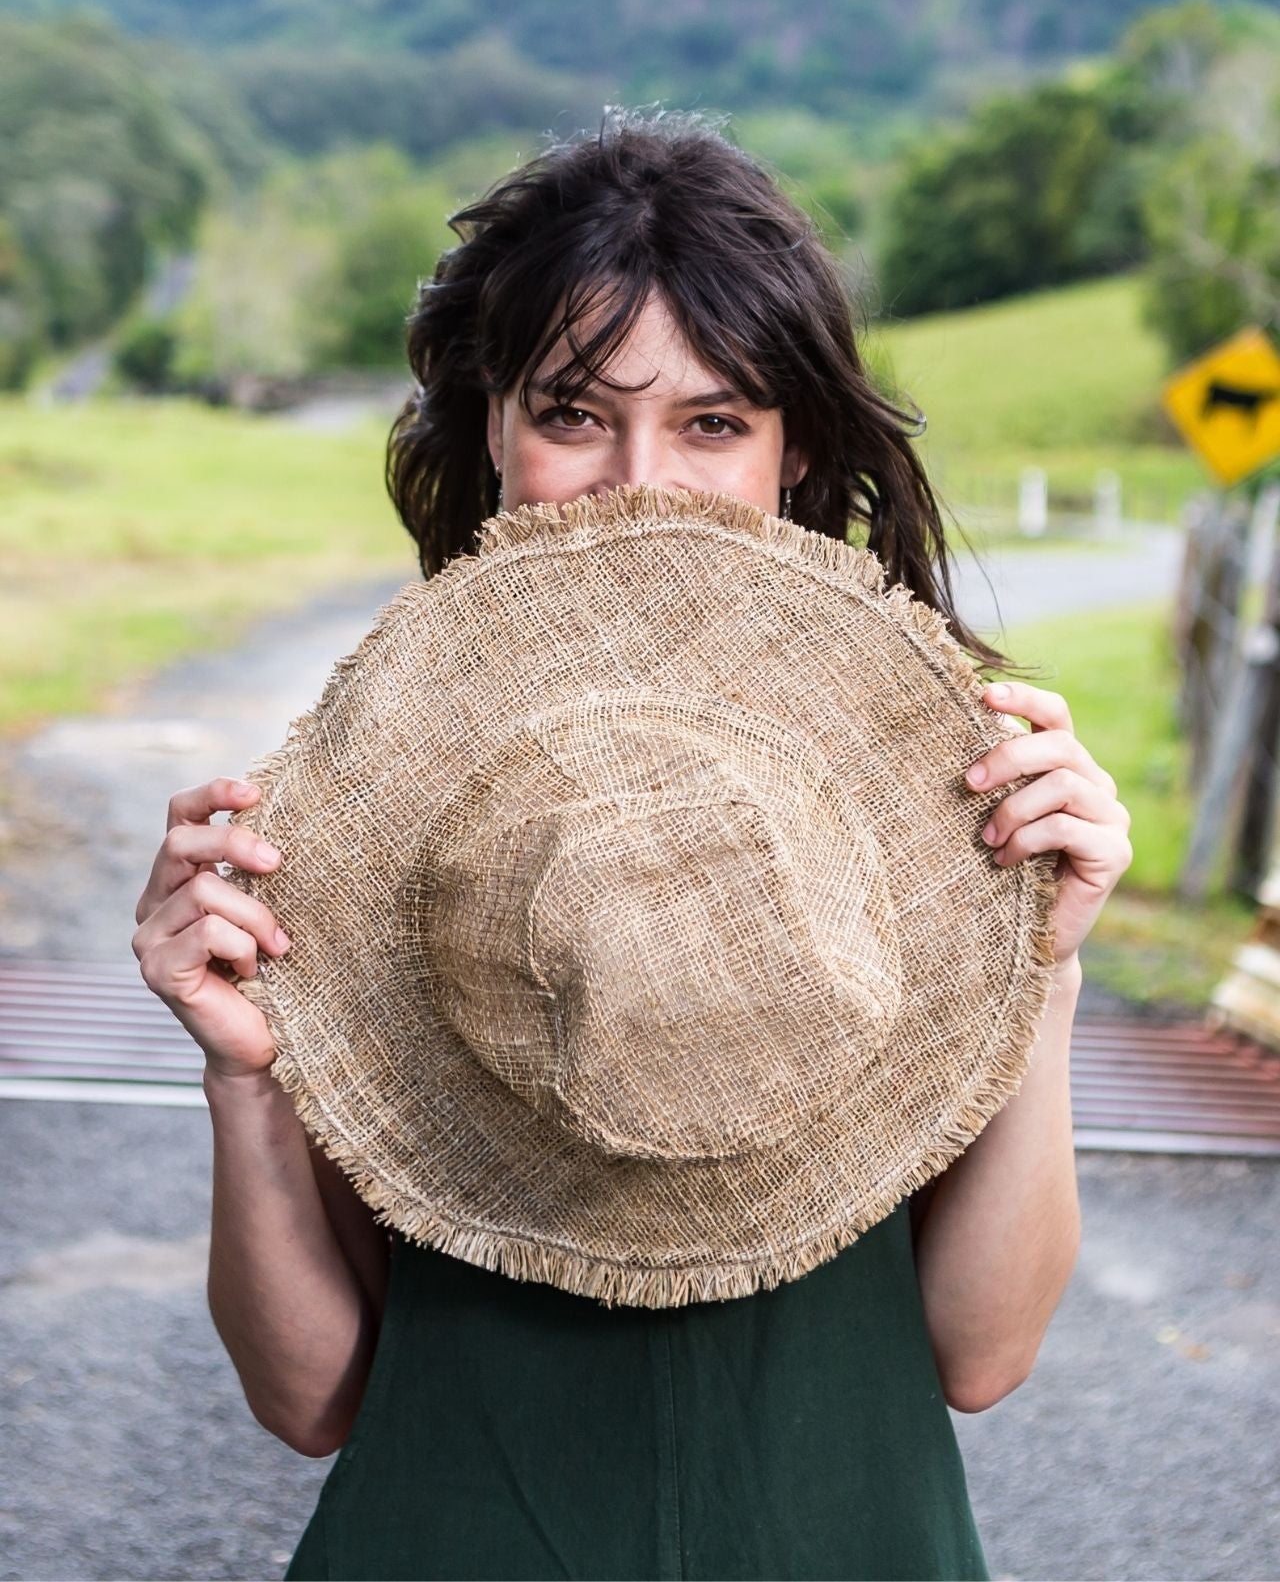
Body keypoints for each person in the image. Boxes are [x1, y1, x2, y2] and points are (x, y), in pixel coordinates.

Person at [131, 110, 1133, 1581]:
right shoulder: (372, 814)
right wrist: (241, 1074)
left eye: (713, 424)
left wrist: (1042, 975)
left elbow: (981, 1357)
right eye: (574, 414)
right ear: (490, 425)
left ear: (795, 457)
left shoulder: (944, 796)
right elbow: (310, 1396)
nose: (640, 483)